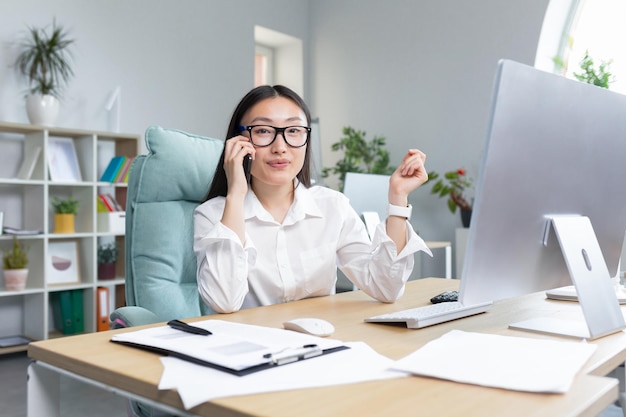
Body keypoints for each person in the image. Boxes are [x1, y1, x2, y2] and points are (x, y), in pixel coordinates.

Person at [193, 85, 432, 313]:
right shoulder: (214, 215)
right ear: (239, 141)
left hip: (320, 345)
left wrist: (398, 198)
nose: (280, 147)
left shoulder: (332, 206)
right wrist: (235, 194)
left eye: (294, 131)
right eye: (263, 131)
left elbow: (385, 288)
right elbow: (224, 301)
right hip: (251, 347)